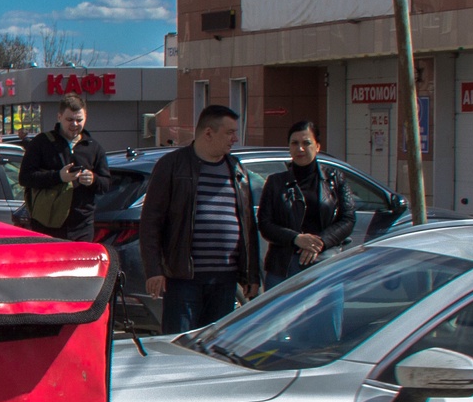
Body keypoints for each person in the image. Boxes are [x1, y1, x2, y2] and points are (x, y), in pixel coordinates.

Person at [139, 103, 260, 334]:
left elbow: (248, 226)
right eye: (230, 132)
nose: (235, 139)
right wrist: (154, 269)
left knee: (215, 344)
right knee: (180, 342)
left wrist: (251, 274)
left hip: (225, 280)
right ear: (208, 133)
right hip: (184, 279)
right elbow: (150, 222)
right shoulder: (172, 165)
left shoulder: (236, 169)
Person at [256, 121, 353, 290]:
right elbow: (265, 224)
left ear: (317, 146)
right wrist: (297, 238)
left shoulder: (334, 179)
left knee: (327, 308)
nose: (300, 148)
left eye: (306, 143)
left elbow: (348, 218)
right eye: (294, 143)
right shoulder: (275, 182)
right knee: (280, 308)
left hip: (325, 262)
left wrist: (319, 242)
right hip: (283, 266)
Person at [17, 94, 108, 238]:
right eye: (69, 119)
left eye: (79, 120)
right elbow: (25, 178)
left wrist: (93, 179)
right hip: (47, 223)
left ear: (86, 118)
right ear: (59, 117)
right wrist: (58, 176)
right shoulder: (42, 142)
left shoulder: (93, 147)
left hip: (82, 225)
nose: (74, 124)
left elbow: (106, 184)